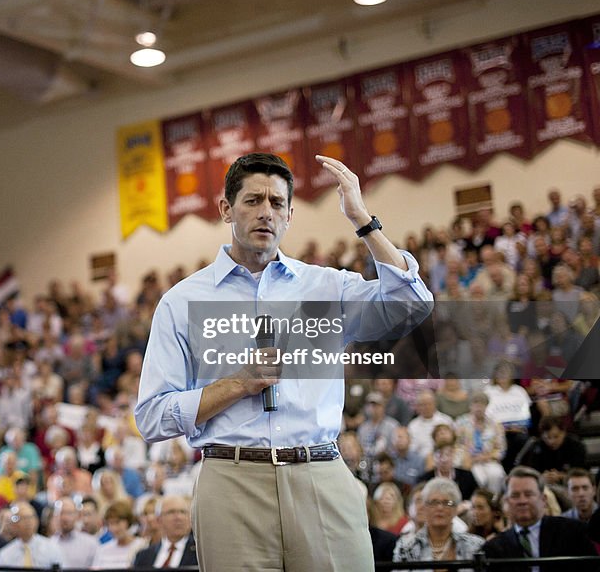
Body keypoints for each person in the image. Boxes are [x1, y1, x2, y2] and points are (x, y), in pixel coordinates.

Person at [135, 152, 433, 572]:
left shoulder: (325, 286)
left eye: (277, 204)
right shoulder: (181, 301)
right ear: (226, 209)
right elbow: (151, 417)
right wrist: (236, 384)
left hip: (321, 474)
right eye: (253, 201)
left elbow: (412, 304)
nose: (265, 213)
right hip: (231, 482)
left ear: (290, 215)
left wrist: (363, 220)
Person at [482, 466, 597, 571]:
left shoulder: (573, 532)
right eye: (515, 496)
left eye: (528, 494)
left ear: (544, 500)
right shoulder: (494, 548)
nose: (522, 501)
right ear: (506, 502)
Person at [392, 477, 484, 571]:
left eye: (447, 503)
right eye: (434, 502)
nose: (440, 508)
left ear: (455, 509)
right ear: (425, 507)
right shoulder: (406, 546)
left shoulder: (474, 545)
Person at [132, 494, 197, 569]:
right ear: (159, 519)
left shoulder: (200, 554)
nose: (179, 517)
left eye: (183, 512)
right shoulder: (143, 556)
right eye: (171, 512)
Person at [0, 502, 63, 569]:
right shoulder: (5, 554)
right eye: (24, 518)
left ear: (37, 521)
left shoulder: (51, 547)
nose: (28, 522)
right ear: (14, 523)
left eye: (31, 517)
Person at [90, 500, 146, 568]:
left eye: (117, 522)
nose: (113, 528)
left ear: (128, 521)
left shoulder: (142, 546)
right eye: (110, 524)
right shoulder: (102, 550)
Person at [49, 497, 98, 568]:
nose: (65, 517)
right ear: (56, 516)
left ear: (77, 516)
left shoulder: (91, 543)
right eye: (61, 513)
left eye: (69, 513)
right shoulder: (50, 543)